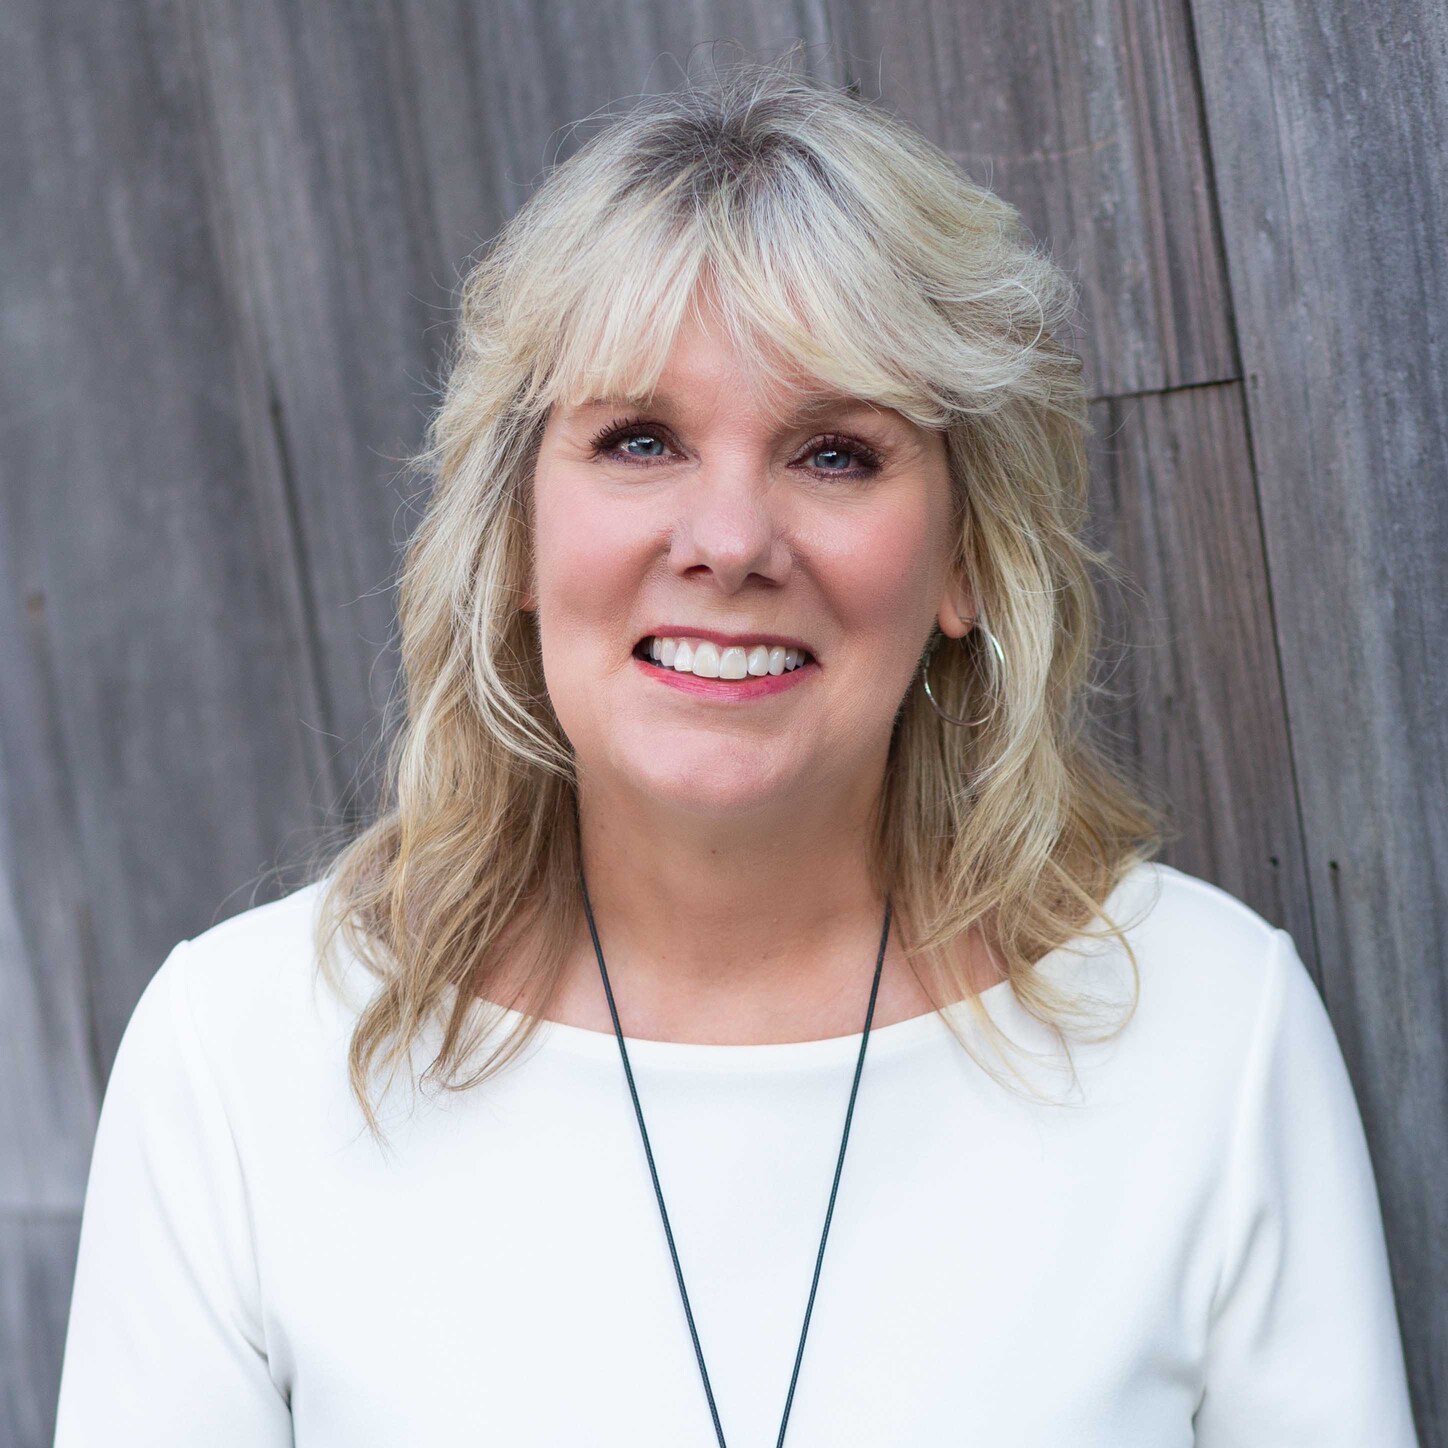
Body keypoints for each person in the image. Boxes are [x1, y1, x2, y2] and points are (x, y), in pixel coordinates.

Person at [53, 56, 1418, 1447]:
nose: (728, 541)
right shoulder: (238, 1065)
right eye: (639, 439)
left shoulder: (1206, 1034)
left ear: (966, 560)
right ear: (515, 538)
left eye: (834, 453)